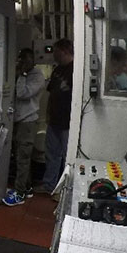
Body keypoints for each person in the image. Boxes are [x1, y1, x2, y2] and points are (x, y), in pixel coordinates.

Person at [3, 48, 45, 206]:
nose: (23, 63)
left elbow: (22, 93)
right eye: (21, 60)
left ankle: (19, 193)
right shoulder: (20, 73)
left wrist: (22, 74)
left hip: (28, 122)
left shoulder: (37, 76)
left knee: (23, 157)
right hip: (17, 120)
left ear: (32, 61)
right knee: (19, 155)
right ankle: (26, 188)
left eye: (26, 60)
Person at [40, 38, 74, 197]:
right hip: (54, 120)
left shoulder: (76, 70)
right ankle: (49, 185)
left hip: (68, 123)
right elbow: (51, 95)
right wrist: (48, 115)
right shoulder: (57, 70)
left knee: (68, 157)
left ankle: (64, 189)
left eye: (56, 52)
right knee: (52, 154)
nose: (54, 55)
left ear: (65, 51)